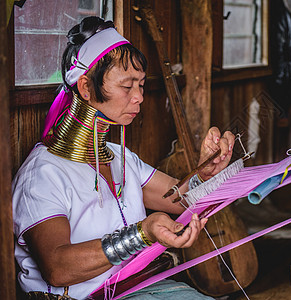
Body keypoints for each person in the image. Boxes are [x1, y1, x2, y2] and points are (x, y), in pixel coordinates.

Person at [12, 16, 235, 299]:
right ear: (86, 88)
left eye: (141, 85)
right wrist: (142, 233)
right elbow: (57, 268)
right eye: (127, 86)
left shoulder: (120, 158)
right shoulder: (43, 174)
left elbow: (179, 201)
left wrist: (207, 173)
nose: (139, 97)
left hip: (144, 286)